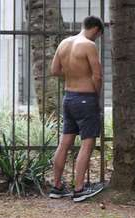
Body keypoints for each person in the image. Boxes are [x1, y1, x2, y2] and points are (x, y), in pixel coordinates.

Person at [49, 15, 104, 202]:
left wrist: (73, 72)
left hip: (68, 97)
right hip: (85, 98)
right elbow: (97, 76)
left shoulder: (64, 43)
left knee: (65, 143)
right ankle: (79, 189)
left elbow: (54, 70)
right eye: (98, 35)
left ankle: (56, 186)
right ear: (96, 29)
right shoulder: (89, 45)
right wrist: (96, 96)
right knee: (87, 143)